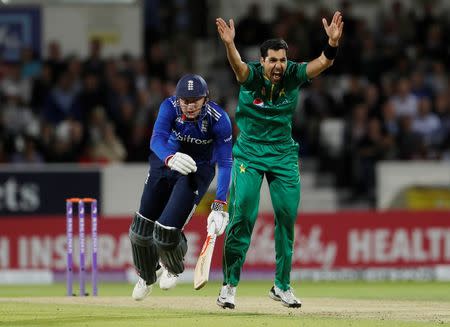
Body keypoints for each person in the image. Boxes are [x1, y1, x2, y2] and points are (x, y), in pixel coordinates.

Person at [215, 11, 344, 309]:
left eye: (282, 60)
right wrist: (229, 45)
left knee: (286, 218)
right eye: (272, 60)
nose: (278, 65)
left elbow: (322, 63)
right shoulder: (251, 75)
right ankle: (229, 286)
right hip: (249, 152)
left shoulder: (293, 74)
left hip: (283, 155)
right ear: (262, 61)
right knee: (244, 215)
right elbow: (237, 67)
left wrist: (332, 44)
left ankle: (282, 286)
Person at [129, 74, 233, 300]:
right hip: (165, 163)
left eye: (195, 99)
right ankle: (147, 277)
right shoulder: (169, 106)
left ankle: (173, 267)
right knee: (139, 232)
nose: (189, 105)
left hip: (196, 170)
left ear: (206, 98)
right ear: (178, 99)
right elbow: (156, 139)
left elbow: (225, 162)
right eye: (185, 100)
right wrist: (169, 158)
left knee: (165, 233)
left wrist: (220, 203)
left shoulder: (219, 119)